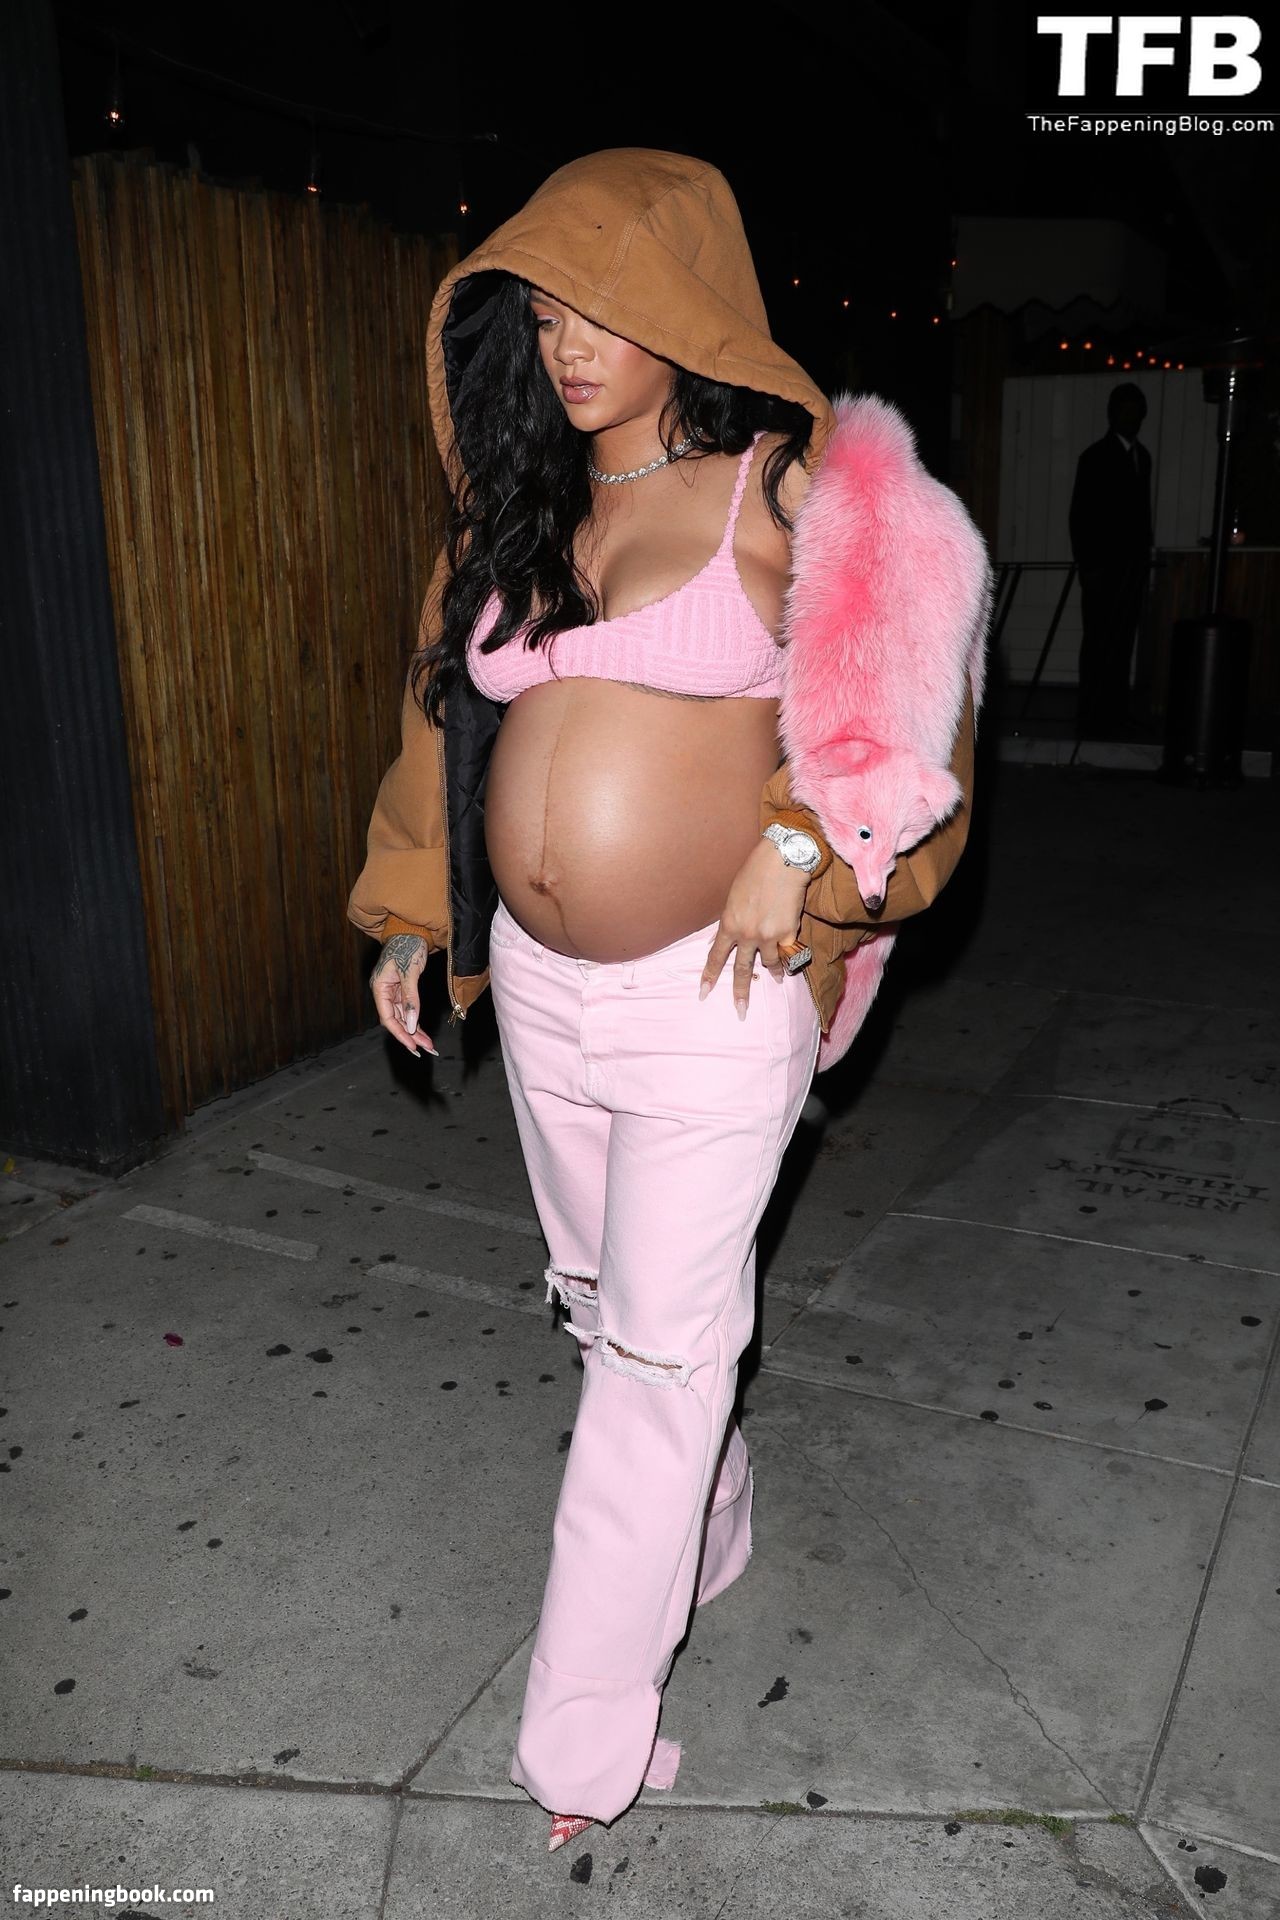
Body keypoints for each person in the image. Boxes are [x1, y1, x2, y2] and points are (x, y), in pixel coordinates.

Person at [345, 147, 990, 1850]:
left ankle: (579, 1746)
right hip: (541, 992)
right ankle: (710, 1504)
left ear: (688, 308)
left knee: (646, 1360)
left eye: (604, 308)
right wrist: (413, 910)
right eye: (542, 312)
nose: (567, 344)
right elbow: (439, 728)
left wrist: (806, 841)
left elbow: (916, 725)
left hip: (717, 993)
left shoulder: (801, 498)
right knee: (608, 1307)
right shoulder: (516, 510)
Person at [1068, 382, 1155, 737]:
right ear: (1113, 413)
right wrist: (1088, 566)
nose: (1131, 418)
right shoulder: (1094, 457)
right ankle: (1091, 716)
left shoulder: (1142, 457)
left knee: (1123, 642)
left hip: (1132, 569)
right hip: (1102, 570)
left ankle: (1117, 712)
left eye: (1137, 411)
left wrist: (1145, 557)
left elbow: (1142, 514)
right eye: (1126, 410)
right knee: (1097, 641)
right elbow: (1080, 516)